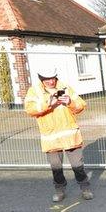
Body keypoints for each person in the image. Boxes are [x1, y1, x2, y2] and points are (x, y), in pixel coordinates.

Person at [24, 66, 93, 202]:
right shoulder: (34, 91)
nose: (50, 82)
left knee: (77, 165)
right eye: (47, 79)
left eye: (52, 78)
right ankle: (60, 190)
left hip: (70, 134)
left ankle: (85, 188)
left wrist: (70, 102)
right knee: (55, 167)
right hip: (51, 136)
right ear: (41, 79)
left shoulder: (65, 87)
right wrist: (47, 104)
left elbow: (81, 105)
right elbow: (30, 109)